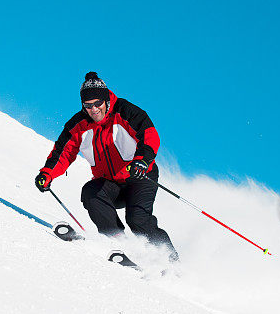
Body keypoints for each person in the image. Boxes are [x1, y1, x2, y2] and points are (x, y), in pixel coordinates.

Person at [35, 72, 178, 261]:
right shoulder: (78, 125)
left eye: (97, 104)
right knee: (91, 192)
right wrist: (47, 174)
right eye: (88, 105)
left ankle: (170, 261)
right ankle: (118, 244)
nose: (93, 109)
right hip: (111, 184)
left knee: (137, 220)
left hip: (139, 176)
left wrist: (142, 160)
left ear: (106, 100)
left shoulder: (125, 112)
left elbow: (149, 135)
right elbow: (63, 152)